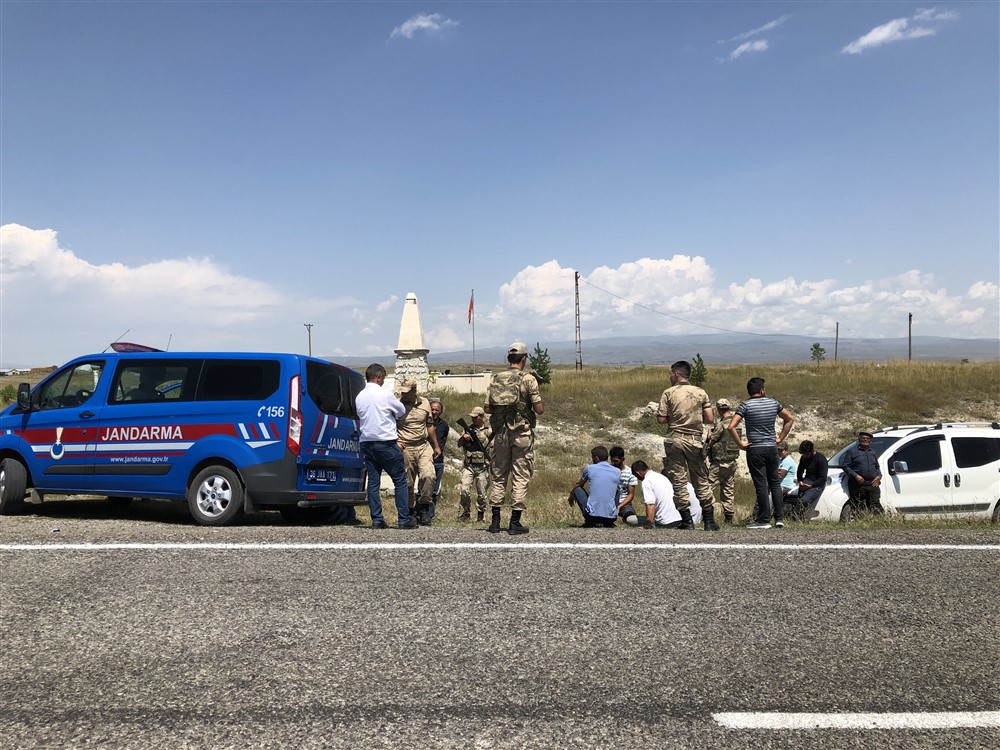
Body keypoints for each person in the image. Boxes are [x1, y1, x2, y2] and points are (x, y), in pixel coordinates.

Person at [485, 341, 544, 535]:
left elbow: (487, 408)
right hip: (521, 434)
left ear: (509, 359)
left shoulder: (496, 378)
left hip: (500, 435)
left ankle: (495, 521)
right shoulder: (528, 379)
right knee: (520, 476)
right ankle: (515, 522)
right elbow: (539, 409)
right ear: (524, 359)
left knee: (499, 476)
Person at [656, 360, 718, 531]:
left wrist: (674, 419)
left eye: (671, 374)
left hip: (675, 439)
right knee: (701, 479)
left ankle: (686, 520)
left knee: (678, 480)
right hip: (694, 439)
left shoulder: (668, 393)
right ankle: (709, 520)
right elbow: (709, 419)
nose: (670, 377)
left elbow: (661, 419)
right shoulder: (700, 392)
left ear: (676, 374)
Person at [727, 377, 795, 529]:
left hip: (755, 448)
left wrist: (740, 444)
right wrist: (780, 438)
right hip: (771, 447)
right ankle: (779, 518)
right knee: (775, 482)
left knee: (761, 484)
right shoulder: (773, 403)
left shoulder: (745, 405)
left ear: (750, 392)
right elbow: (789, 418)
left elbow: (731, 426)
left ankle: (764, 519)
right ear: (762, 390)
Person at [354, 363, 415, 530]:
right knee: (400, 479)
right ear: (378, 377)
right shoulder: (385, 394)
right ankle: (404, 518)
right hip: (386, 442)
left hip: (367, 442)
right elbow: (401, 411)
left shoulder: (359, 396)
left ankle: (377, 519)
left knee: (373, 482)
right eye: (383, 379)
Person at [396, 377, 442, 526]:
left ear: (414, 391)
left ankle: (423, 507)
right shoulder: (397, 405)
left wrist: (436, 445)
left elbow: (430, 425)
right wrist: (396, 441)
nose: (403, 395)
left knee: (429, 476)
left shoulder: (425, 404)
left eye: (407, 392)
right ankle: (410, 511)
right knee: (408, 483)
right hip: (405, 447)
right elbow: (390, 425)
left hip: (423, 445)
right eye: (402, 392)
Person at [568, 445, 621, 528]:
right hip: (611, 518)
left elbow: (579, 484)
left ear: (596, 458)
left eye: (592, 457)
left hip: (592, 517)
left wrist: (571, 495)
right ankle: (610, 518)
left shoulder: (590, 468)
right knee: (617, 491)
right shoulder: (617, 471)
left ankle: (589, 521)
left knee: (577, 489)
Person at [706, 398, 741, 524]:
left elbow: (711, 442)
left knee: (708, 488)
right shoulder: (736, 423)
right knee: (728, 490)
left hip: (719, 463)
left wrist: (709, 435)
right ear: (729, 408)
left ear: (718, 409)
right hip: (732, 461)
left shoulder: (721, 424)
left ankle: (707, 515)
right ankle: (729, 519)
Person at [457, 406, 492, 522]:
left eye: (475, 417)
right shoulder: (468, 429)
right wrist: (464, 437)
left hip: (483, 467)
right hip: (469, 466)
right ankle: (466, 512)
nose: (473, 419)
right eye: (472, 417)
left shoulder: (488, 430)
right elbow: (459, 444)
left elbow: (494, 447)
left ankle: (481, 515)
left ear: (481, 417)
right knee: (464, 490)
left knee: (482, 492)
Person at [841, 430, 883, 515]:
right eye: (863, 438)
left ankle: (880, 523)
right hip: (858, 484)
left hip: (872, 483)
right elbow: (845, 466)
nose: (865, 440)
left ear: (870, 441)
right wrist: (856, 476)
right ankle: (861, 522)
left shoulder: (873, 452)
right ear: (859, 439)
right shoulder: (852, 451)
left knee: (875, 504)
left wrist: (879, 476)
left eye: (868, 439)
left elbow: (877, 467)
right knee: (860, 505)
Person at [630, 461, 681, 529]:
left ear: (638, 473)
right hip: (678, 519)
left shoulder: (647, 481)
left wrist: (648, 524)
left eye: (636, 476)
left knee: (630, 520)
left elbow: (650, 504)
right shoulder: (661, 476)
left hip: (665, 522)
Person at [422, 398, 450, 522]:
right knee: (422, 487)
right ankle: (420, 513)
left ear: (441, 411)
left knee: (434, 490)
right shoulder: (423, 423)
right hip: (424, 459)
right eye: (432, 409)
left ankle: (429, 516)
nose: (434, 412)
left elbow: (443, 441)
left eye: (436, 410)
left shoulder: (444, 426)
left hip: (438, 460)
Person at [793, 440, 828, 520]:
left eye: (807, 454)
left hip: (817, 484)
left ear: (812, 451)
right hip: (806, 481)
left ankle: (794, 518)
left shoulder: (821, 459)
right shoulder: (804, 458)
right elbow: (800, 470)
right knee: (798, 500)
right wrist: (800, 481)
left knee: (804, 500)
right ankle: (799, 518)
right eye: (804, 454)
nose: (805, 456)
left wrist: (811, 486)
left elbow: (823, 478)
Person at [610, 446, 640, 526]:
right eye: (612, 460)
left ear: (622, 459)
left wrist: (620, 506)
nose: (613, 463)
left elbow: (631, 494)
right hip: (609, 502)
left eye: (616, 461)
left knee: (632, 520)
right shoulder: (608, 471)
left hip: (624, 503)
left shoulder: (630, 473)